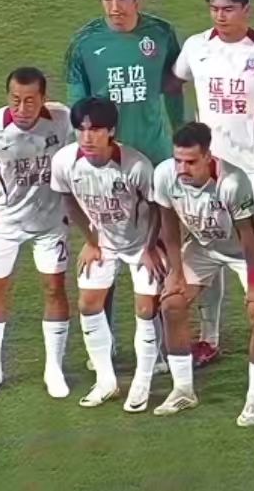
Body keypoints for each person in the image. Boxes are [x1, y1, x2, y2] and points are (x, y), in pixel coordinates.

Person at [171, 0, 254, 367]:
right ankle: (208, 338)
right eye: (214, 9)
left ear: (247, 9)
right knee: (208, 247)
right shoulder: (196, 47)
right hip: (205, 173)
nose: (220, 16)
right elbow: (178, 79)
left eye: (228, 9)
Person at [64, 0, 184, 369]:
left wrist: (181, 135)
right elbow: (78, 107)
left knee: (160, 247)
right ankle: (108, 341)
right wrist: (84, 156)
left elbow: (173, 90)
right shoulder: (85, 43)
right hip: (105, 162)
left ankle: (163, 344)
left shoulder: (161, 34)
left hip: (154, 154)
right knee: (106, 249)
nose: (115, 7)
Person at [153, 122, 254, 424]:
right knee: (171, 304)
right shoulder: (164, 175)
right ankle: (183, 390)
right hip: (204, 247)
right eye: (178, 160)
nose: (182, 169)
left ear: (209, 157)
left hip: (247, 252)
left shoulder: (232, 182)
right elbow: (169, 228)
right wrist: (175, 273)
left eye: (191, 162)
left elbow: (248, 236)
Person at [50, 97, 167, 411]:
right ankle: (106, 381)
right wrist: (91, 240)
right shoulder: (64, 162)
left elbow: (157, 208)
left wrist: (150, 248)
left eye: (96, 130)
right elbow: (68, 201)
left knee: (145, 309)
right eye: (81, 129)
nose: (87, 137)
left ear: (112, 131)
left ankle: (141, 383)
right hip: (104, 241)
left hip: (141, 243)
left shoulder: (136, 166)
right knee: (88, 304)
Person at [0, 67, 72, 399]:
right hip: (5, 222)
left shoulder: (62, 119)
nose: (22, 108)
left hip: (49, 222)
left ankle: (53, 368)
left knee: (54, 288)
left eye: (29, 100)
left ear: (43, 98)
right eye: (15, 100)